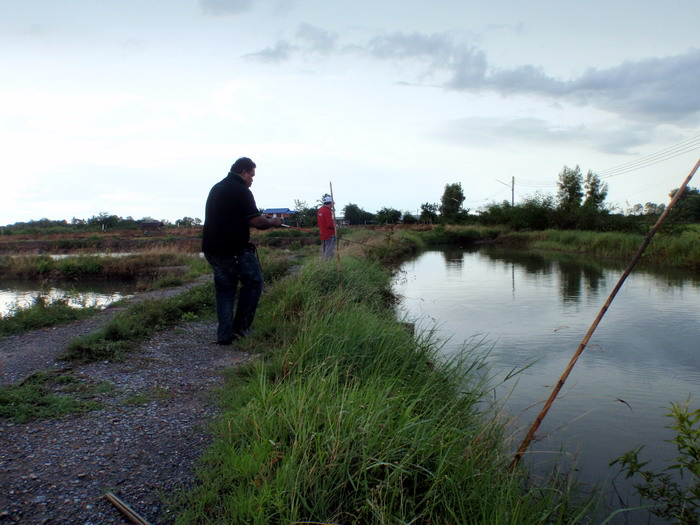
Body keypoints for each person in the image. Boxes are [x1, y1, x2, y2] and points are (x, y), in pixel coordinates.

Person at [202, 157, 282, 345]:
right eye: (252, 175)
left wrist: (259, 217)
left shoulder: (218, 188)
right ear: (244, 172)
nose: (252, 180)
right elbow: (258, 223)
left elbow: (235, 216)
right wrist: (273, 222)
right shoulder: (241, 190)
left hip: (212, 249)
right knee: (254, 282)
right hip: (234, 250)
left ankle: (224, 335)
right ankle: (241, 330)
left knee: (225, 290)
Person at [317, 195, 336, 260]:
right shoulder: (327, 211)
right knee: (329, 250)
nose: (333, 204)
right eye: (332, 203)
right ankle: (328, 263)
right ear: (330, 203)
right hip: (329, 234)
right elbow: (329, 225)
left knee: (324, 249)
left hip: (322, 233)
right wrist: (335, 228)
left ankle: (323, 262)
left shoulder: (320, 210)